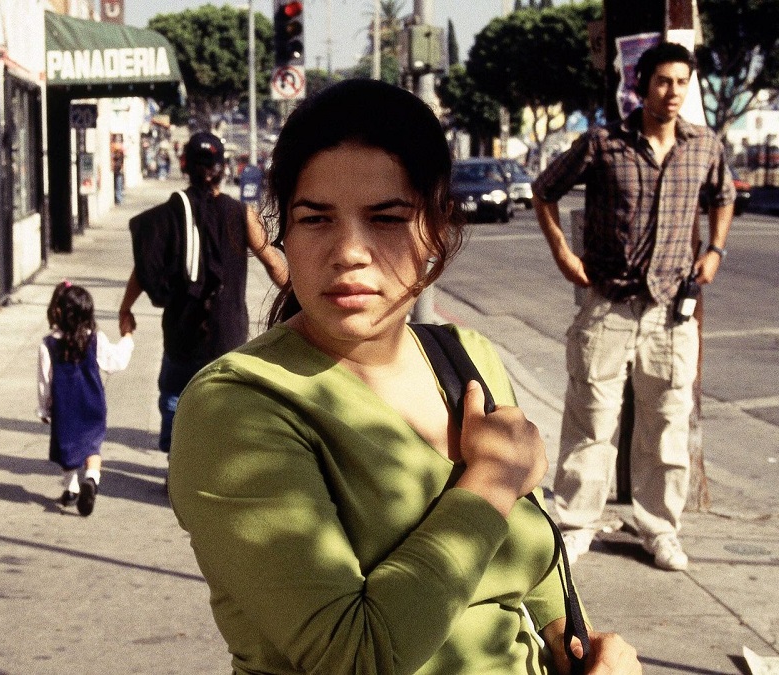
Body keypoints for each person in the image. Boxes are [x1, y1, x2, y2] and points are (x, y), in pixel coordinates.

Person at [168, 80, 640, 674]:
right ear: (283, 231)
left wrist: (578, 642)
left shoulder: (465, 359)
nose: (349, 251)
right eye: (315, 219)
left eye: (387, 218)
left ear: (436, 231)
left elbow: (536, 559)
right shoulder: (237, 407)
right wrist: (492, 479)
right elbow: (356, 656)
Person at [532, 42, 734, 572]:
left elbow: (724, 196)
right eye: (663, 81)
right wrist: (562, 253)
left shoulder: (703, 146)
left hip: (671, 312)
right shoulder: (603, 144)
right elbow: (544, 189)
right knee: (591, 421)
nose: (672, 92)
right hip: (608, 306)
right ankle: (576, 525)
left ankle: (660, 529)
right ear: (642, 85)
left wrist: (715, 249)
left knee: (667, 423)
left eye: (682, 82)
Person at [117, 131, 288, 455]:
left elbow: (144, 267)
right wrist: (301, 299)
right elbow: (272, 262)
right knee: (225, 405)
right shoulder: (242, 214)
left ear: (185, 165)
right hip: (228, 333)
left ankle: (179, 462)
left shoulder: (171, 213)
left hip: (181, 333)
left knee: (175, 397)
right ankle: (216, 464)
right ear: (222, 168)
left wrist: (126, 308)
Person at [37, 281, 135, 516]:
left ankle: (71, 488)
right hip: (93, 405)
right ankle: (91, 479)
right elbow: (115, 362)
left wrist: (44, 409)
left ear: (58, 312)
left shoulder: (49, 344)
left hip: (65, 408)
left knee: (67, 449)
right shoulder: (95, 339)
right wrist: (127, 337)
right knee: (92, 448)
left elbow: (44, 381)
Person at [111, 137, 126, 205]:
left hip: (118, 170)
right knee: (118, 185)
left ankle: (119, 198)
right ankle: (119, 198)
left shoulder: (118, 154)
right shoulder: (117, 153)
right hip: (117, 170)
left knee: (119, 185)